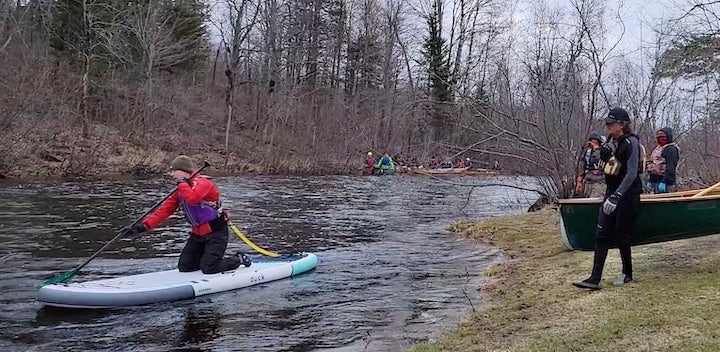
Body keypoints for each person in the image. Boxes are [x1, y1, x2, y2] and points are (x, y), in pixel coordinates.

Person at [129, 155, 245, 274]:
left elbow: (193, 198)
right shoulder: (181, 189)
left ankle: (238, 259)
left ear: (184, 171)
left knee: (209, 268)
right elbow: (165, 210)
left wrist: (183, 184)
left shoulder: (203, 183)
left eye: (174, 170)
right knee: (185, 266)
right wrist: (143, 227)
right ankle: (206, 261)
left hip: (216, 233)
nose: (171, 174)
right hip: (197, 235)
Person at [573, 108, 642, 289]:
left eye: (612, 122)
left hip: (627, 194)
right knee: (601, 234)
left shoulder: (631, 142)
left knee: (622, 236)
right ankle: (595, 278)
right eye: (608, 122)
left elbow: (632, 173)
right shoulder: (611, 141)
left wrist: (617, 196)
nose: (608, 125)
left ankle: (627, 274)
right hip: (611, 191)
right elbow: (607, 168)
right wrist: (600, 156)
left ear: (622, 124)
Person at [647, 128, 679, 193]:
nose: (661, 139)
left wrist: (665, 182)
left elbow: (671, 167)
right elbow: (653, 165)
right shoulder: (657, 149)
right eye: (659, 137)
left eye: (663, 137)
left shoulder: (671, 149)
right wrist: (650, 180)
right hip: (655, 181)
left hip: (666, 183)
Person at [574, 131, 606, 198]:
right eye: (591, 141)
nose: (592, 143)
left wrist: (596, 149)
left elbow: (599, 160)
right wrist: (579, 180)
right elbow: (582, 166)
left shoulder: (603, 152)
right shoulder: (587, 153)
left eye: (595, 141)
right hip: (588, 183)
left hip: (600, 183)